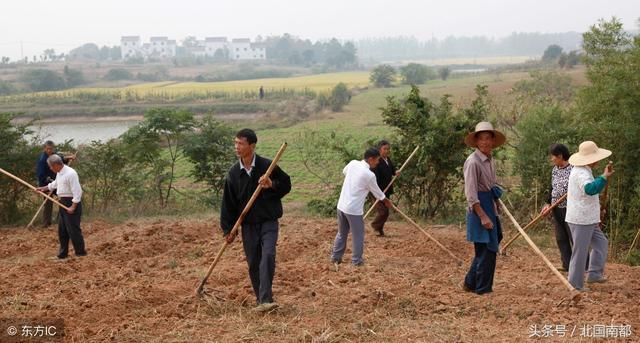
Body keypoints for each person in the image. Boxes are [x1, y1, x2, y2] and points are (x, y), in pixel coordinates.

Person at [220, 128, 291, 312]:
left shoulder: (268, 167)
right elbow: (228, 204)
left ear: (252, 146)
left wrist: (271, 185)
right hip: (248, 225)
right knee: (253, 262)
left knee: (267, 256)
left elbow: (286, 185)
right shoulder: (234, 174)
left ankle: (266, 299)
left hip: (268, 221)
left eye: (240, 143)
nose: (237, 147)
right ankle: (261, 300)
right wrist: (228, 230)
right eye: (235, 143)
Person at [461, 121, 506, 295]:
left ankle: (470, 282)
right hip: (479, 208)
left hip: (489, 205)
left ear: (493, 141)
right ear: (477, 142)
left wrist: (495, 204)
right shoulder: (473, 162)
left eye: (488, 138)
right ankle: (482, 288)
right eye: (482, 139)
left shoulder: (490, 160)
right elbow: (471, 195)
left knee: (494, 240)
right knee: (486, 248)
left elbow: (491, 185)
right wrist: (483, 216)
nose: (485, 142)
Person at [331, 148, 392, 267]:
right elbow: (377, 193)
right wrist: (386, 201)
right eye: (377, 160)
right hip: (353, 210)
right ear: (370, 159)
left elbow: (345, 172)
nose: (378, 163)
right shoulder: (369, 175)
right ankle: (356, 261)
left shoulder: (353, 163)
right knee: (358, 235)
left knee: (342, 233)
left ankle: (335, 257)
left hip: (341, 205)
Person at [565, 141, 613, 291]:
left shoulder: (585, 170)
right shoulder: (580, 173)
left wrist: (602, 178)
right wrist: (604, 177)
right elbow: (590, 189)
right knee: (580, 252)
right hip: (581, 219)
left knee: (601, 244)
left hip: (588, 218)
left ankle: (594, 274)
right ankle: (575, 284)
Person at [36, 154, 86, 259]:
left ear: (56, 165)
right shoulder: (59, 173)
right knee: (62, 230)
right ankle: (62, 254)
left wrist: (73, 206)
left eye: (51, 166)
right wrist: (43, 188)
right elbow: (55, 184)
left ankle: (81, 254)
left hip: (71, 203)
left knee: (73, 230)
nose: (50, 168)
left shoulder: (71, 173)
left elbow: (78, 192)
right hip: (62, 202)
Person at [540, 143, 573, 272]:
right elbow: (552, 188)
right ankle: (567, 265)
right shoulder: (555, 170)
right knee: (561, 238)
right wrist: (548, 203)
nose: (551, 159)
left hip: (570, 208)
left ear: (560, 156)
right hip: (556, 208)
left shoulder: (573, 169)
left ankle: (582, 266)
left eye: (553, 156)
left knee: (573, 237)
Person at [370, 140, 397, 237]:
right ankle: (375, 226)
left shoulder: (388, 160)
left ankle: (379, 230)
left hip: (386, 190)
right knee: (383, 211)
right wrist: (377, 191)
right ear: (379, 150)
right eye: (384, 149)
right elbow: (374, 179)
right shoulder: (377, 162)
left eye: (388, 149)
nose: (387, 151)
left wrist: (396, 172)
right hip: (377, 191)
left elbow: (392, 170)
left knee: (385, 212)